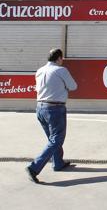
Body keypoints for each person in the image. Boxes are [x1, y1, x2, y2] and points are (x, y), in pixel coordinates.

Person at [25, 49, 77, 184]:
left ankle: (58, 163)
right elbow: (73, 86)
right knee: (56, 139)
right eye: (62, 59)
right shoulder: (61, 70)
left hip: (40, 108)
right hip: (55, 108)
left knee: (52, 138)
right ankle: (34, 167)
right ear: (59, 58)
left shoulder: (40, 70)